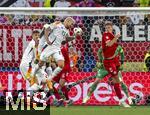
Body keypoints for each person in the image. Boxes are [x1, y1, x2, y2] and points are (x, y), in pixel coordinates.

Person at [31, 17, 78, 83]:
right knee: (41, 64)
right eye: (72, 24)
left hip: (57, 49)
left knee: (61, 65)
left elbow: (64, 41)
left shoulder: (67, 31)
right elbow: (47, 29)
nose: (72, 26)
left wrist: (74, 36)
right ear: (67, 21)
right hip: (49, 46)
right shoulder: (58, 23)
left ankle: (49, 79)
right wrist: (47, 40)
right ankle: (33, 73)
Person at [101, 21, 129, 107]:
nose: (108, 29)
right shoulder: (105, 35)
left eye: (109, 27)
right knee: (117, 79)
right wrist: (116, 37)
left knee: (117, 79)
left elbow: (116, 46)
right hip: (109, 62)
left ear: (112, 28)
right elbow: (109, 44)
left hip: (115, 60)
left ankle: (111, 79)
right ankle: (121, 100)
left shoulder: (112, 35)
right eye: (107, 27)